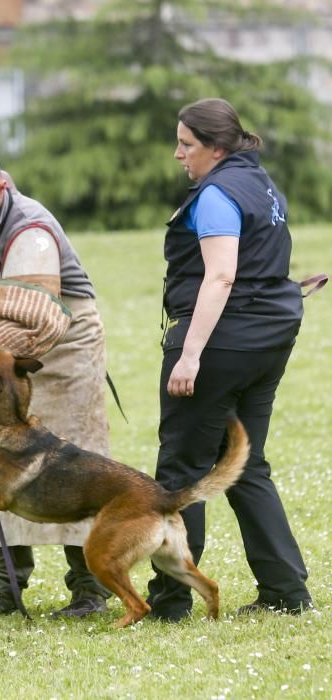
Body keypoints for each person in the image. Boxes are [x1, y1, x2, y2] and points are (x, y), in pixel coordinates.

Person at [147, 98, 314, 621]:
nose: (179, 154)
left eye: (187, 144)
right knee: (243, 463)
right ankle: (286, 592)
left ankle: (171, 602)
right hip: (268, 338)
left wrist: (190, 354)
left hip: (223, 340)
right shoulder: (260, 183)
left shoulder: (218, 192)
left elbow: (220, 276)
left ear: (216, 147)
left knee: (180, 470)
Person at [0, 148, 111, 617]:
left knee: (76, 465)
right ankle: (3, 585)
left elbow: (34, 315)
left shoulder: (31, 229)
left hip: (63, 336)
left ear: (2, 187)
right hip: (6, 339)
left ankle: (90, 589)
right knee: (0, 463)